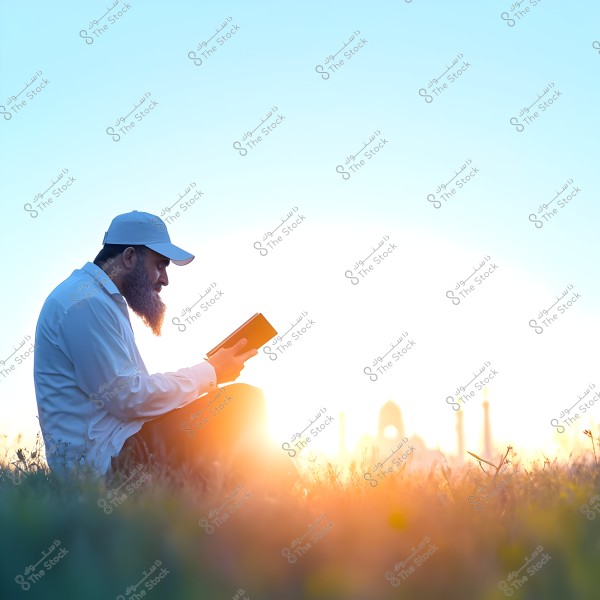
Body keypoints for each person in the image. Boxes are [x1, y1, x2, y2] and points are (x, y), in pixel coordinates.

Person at [33, 210, 294, 486]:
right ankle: (276, 502)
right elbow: (128, 398)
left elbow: (130, 395)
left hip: (117, 449)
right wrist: (211, 372)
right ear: (130, 257)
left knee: (231, 418)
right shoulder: (86, 303)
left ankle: (269, 498)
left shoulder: (96, 298)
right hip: (105, 466)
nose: (165, 279)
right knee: (242, 402)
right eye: (160, 265)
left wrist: (209, 376)